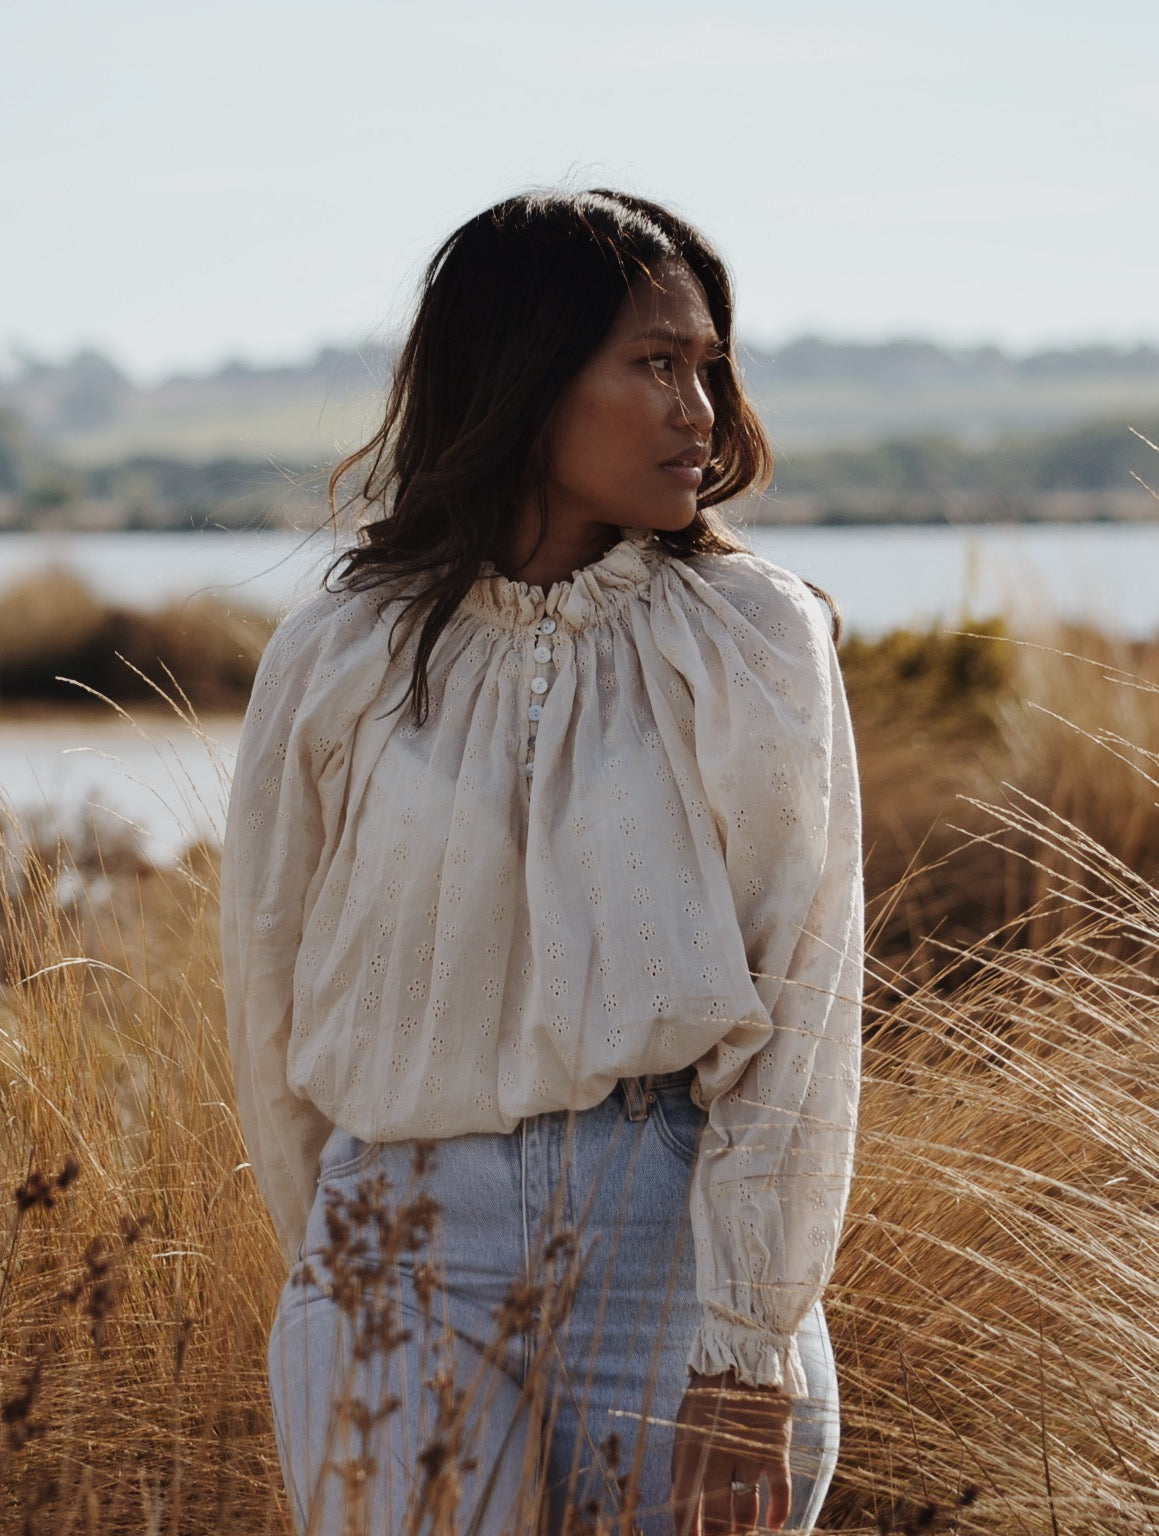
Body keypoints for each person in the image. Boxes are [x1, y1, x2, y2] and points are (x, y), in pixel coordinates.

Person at [221, 188, 862, 1536]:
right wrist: (335, 1264)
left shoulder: (750, 637)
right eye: (653, 364)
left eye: (708, 366)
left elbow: (804, 997)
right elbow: (266, 992)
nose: (701, 411)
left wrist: (747, 1343)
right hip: (393, 1254)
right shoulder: (341, 653)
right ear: (521, 378)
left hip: (674, 1253)